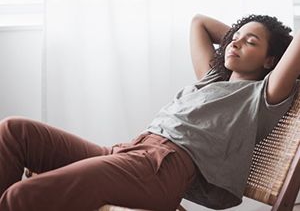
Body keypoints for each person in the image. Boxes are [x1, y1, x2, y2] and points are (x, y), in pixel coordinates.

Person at [0, 13, 299, 211]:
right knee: (14, 132)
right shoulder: (212, 79)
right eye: (235, 35)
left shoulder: (263, 96)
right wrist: (243, 37)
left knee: (21, 197)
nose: (235, 40)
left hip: (161, 170)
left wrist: (270, 40)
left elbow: (294, 48)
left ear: (271, 60)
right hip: (130, 152)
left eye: (251, 42)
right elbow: (199, 22)